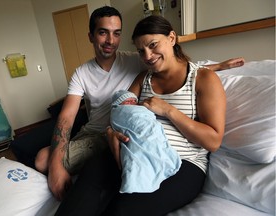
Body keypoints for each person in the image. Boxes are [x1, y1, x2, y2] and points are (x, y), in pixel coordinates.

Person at [35, 5, 244, 202]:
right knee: (45, 160)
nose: (110, 40)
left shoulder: (137, 59)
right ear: (90, 36)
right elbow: (67, 116)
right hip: (98, 133)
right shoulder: (82, 73)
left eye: (116, 33)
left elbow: (175, 64)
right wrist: (56, 168)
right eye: (103, 32)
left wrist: (217, 66)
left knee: (48, 160)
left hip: (122, 133)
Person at [110, 90, 181, 194]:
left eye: (133, 101)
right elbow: (119, 120)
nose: (131, 103)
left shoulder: (141, 108)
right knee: (134, 158)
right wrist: (109, 131)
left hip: (152, 134)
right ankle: (134, 180)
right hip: (131, 138)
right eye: (127, 101)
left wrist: (168, 110)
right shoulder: (119, 111)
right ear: (118, 105)